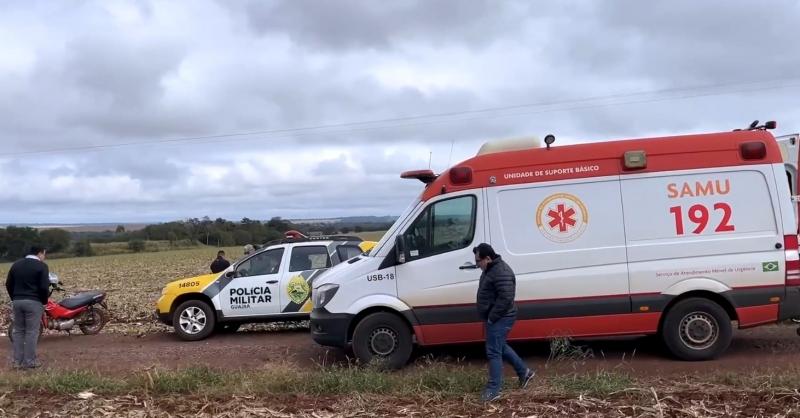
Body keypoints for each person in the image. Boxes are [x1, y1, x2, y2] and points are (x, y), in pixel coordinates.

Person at [474, 243, 535, 402]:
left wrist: (492, 317)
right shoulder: (491, 269)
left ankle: (493, 390)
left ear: (487, 258)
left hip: (502, 317)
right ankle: (525, 373)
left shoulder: (501, 271)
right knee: (499, 346)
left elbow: (506, 298)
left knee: (493, 352)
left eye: (478, 261)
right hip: (496, 316)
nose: (477, 265)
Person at [5, 245, 50, 370]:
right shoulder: (42, 266)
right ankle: (30, 362)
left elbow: (8, 283)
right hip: (34, 302)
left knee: (18, 331)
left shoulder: (16, 265)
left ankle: (17, 362)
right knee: (31, 332)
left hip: (17, 301)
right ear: (39, 253)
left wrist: (14, 298)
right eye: (44, 254)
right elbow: (43, 287)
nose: (44, 257)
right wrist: (44, 301)